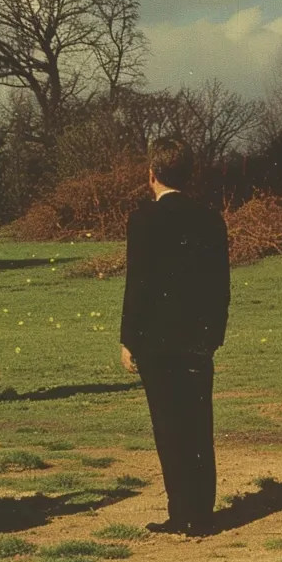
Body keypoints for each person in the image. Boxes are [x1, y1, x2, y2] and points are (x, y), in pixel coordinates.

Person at [120, 137, 230, 537]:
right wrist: (214, 334)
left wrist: (128, 338)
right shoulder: (211, 219)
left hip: (156, 340)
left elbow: (139, 285)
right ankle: (202, 513)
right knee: (199, 423)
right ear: (189, 173)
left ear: (151, 175)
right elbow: (221, 285)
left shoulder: (142, 220)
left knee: (168, 427)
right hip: (198, 338)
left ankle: (179, 511)